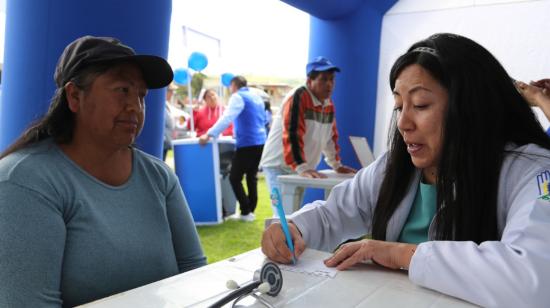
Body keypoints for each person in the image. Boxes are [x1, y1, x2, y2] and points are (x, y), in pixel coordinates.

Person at [261, 33, 550, 307]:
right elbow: (333, 213)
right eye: (400, 106)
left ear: (469, 107)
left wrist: (400, 254)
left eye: (421, 104)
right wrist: (296, 227)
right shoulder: (395, 167)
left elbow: (533, 280)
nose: (403, 123)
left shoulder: (531, 172)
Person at [0, 36, 207, 307]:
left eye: (141, 95)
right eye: (122, 90)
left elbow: (195, 273)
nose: (135, 106)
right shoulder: (26, 181)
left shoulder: (158, 176)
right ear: (74, 96)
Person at [259, 56, 356, 216]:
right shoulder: (299, 96)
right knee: (283, 217)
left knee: (294, 217)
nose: (329, 84)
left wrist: (336, 164)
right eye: (323, 79)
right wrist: (301, 166)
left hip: (300, 167)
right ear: (309, 80)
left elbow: (331, 137)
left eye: (332, 79)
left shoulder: (328, 103)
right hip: (280, 164)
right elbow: (292, 132)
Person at [199, 76, 266, 222]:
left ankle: (246, 210)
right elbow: (264, 119)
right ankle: (249, 211)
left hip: (247, 142)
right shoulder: (256, 97)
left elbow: (227, 117)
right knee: (251, 177)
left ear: (234, 85)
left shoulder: (238, 97)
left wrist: (210, 134)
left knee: (234, 177)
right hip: (260, 141)